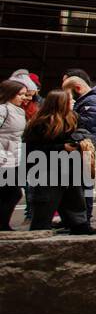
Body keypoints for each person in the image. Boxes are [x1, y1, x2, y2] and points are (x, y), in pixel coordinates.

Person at [23, 89, 96, 234]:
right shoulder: (40, 123)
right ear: (60, 103)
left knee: (75, 201)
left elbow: (83, 133)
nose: (74, 102)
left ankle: (80, 228)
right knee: (44, 207)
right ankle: (39, 235)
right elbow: (32, 149)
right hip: (46, 170)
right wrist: (62, 147)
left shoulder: (74, 117)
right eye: (70, 100)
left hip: (70, 168)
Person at [62, 70, 96, 215]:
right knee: (81, 187)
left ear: (77, 89)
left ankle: (84, 218)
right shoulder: (88, 99)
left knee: (86, 187)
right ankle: (79, 218)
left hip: (89, 147)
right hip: (86, 146)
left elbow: (85, 125)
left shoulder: (93, 100)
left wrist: (69, 110)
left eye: (69, 94)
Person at [0, 79, 31, 230]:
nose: (24, 97)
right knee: (12, 193)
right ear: (10, 94)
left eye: (25, 94)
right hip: (4, 160)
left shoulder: (19, 110)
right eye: (21, 94)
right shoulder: (3, 110)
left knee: (11, 193)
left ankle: (3, 224)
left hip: (13, 159)